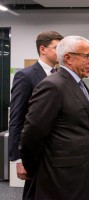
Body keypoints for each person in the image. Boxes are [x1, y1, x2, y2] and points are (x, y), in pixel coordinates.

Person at [20, 35, 89, 200]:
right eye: (87, 56)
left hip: (81, 173)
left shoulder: (78, 83)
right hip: (60, 179)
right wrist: (36, 168)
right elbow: (32, 134)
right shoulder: (52, 86)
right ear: (68, 58)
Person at [8, 30, 63, 200]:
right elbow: (17, 118)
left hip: (57, 151)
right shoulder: (25, 76)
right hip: (35, 150)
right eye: (56, 48)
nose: (60, 52)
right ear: (43, 49)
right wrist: (18, 159)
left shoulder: (61, 75)